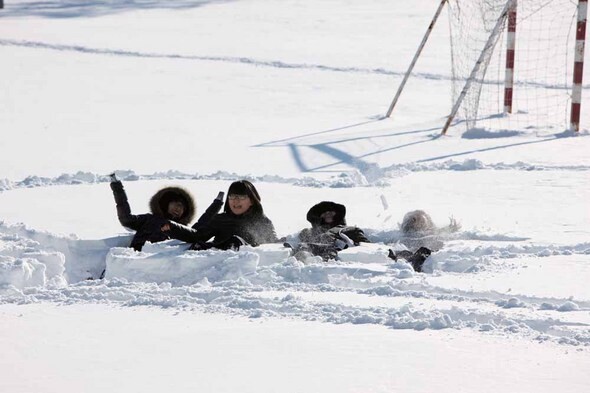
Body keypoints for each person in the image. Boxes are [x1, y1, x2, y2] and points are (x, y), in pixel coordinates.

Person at [109, 173, 223, 251]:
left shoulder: (181, 230)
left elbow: (201, 226)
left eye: (183, 208)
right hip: (135, 260)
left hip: (161, 267)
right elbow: (126, 219)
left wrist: (217, 204)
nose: (179, 209)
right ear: (166, 203)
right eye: (177, 204)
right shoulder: (149, 219)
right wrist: (117, 187)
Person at [163, 180, 278, 250]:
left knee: (235, 241)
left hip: (246, 270)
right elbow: (198, 236)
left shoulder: (262, 222)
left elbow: (273, 246)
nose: (235, 201)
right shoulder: (220, 219)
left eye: (241, 197)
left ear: (252, 201)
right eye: (232, 197)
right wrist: (173, 228)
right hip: (220, 269)